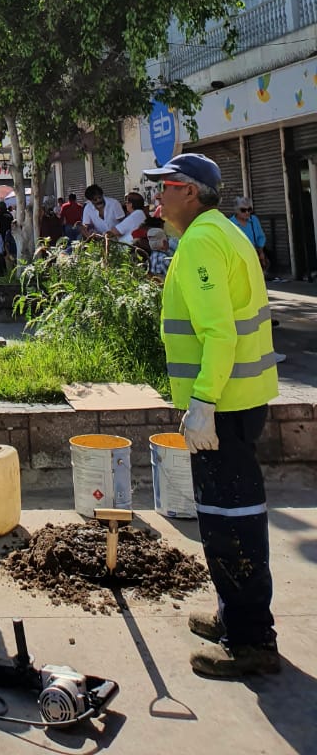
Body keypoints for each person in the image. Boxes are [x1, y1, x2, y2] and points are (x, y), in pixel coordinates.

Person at [141, 153, 280, 679]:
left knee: (231, 522)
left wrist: (203, 404)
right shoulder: (221, 231)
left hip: (224, 407)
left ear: (191, 193)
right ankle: (233, 617)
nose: (158, 198)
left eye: (166, 188)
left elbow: (220, 333)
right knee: (229, 515)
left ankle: (250, 641)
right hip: (239, 401)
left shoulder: (201, 240)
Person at [229, 197, 268, 272]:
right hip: (239, 258)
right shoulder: (230, 223)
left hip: (254, 255)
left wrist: (261, 252)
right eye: (243, 210)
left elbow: (260, 236)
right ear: (237, 210)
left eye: (249, 209)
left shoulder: (254, 220)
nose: (247, 212)